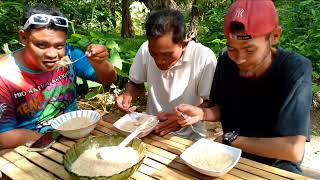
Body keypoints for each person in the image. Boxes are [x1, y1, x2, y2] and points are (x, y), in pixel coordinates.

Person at [174, 0, 312, 174]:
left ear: (275, 36)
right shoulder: (226, 59)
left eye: (249, 49)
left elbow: (292, 149)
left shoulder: (295, 69)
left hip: (275, 164)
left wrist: (230, 140)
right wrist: (202, 113)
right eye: (232, 49)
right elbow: (223, 108)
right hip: (228, 156)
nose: (239, 59)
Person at [0, 4, 116, 149]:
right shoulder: (4, 76)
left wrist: (99, 62)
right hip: (29, 147)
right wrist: (50, 140)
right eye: (42, 45)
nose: (52, 54)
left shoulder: (69, 54)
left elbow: (109, 79)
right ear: (24, 37)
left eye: (59, 46)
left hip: (74, 132)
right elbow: (3, 137)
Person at [116, 9, 217, 141]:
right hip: (150, 130)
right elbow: (135, 84)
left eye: (167, 55)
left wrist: (182, 119)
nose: (159, 61)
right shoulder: (145, 49)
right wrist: (128, 95)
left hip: (190, 138)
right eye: (154, 53)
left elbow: (210, 103)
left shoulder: (203, 57)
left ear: (184, 44)